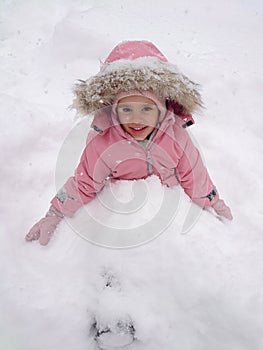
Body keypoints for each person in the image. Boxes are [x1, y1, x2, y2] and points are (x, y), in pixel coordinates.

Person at [25, 40, 233, 246]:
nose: (136, 119)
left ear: (162, 109)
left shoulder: (176, 136)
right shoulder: (103, 143)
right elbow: (84, 182)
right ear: (113, 110)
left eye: (146, 109)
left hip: (168, 212)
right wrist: (55, 211)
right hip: (125, 213)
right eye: (127, 109)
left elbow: (195, 175)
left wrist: (212, 201)